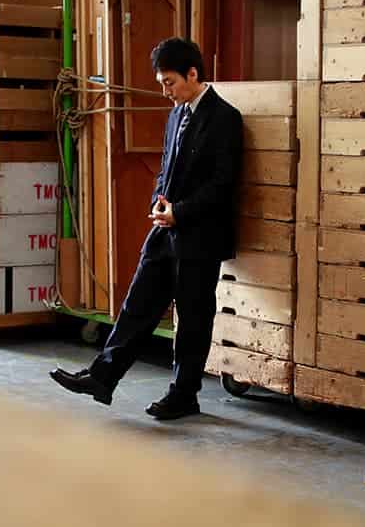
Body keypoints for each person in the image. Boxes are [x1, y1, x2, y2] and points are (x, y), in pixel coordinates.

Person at [50, 37, 243, 420]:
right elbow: (164, 170)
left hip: (200, 236)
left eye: (170, 82)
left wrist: (180, 212)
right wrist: (158, 201)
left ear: (192, 74)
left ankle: (184, 395)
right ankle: (102, 377)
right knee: (137, 305)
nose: (166, 91)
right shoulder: (175, 116)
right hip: (165, 230)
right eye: (161, 83)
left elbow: (223, 184)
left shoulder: (225, 118)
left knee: (192, 319)